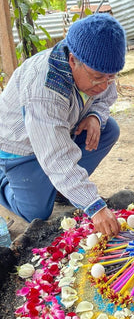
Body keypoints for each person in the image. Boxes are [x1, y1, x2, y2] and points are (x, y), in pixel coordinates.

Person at [0, 13, 126, 237]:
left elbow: (106, 98)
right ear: (72, 61)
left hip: (59, 132)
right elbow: (56, 155)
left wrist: (95, 116)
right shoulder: (44, 90)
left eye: (111, 77)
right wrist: (94, 206)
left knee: (108, 129)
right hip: (20, 148)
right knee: (36, 212)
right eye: (98, 77)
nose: (105, 85)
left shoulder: (98, 70)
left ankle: (62, 189)